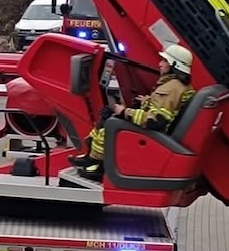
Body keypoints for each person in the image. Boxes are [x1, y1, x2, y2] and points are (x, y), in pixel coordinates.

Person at [71, 43, 196, 181]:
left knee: (110, 122)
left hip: (154, 135)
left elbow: (155, 120)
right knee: (107, 117)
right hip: (162, 134)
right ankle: (90, 156)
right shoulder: (178, 85)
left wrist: (125, 112)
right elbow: (166, 107)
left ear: (174, 65)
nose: (160, 64)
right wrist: (146, 101)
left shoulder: (170, 88)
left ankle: (96, 164)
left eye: (164, 61)